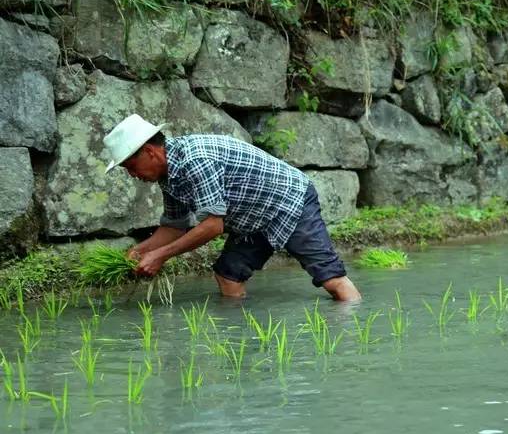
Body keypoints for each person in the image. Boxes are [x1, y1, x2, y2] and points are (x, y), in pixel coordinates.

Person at [102, 114, 361, 301]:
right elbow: (174, 226)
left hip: (289, 200)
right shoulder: (169, 176)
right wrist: (140, 250)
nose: (133, 175)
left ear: (149, 152)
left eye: (131, 168)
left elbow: (213, 226)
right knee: (228, 275)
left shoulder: (196, 160)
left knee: (331, 278)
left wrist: (160, 256)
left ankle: (356, 347)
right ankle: (241, 339)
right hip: (252, 218)